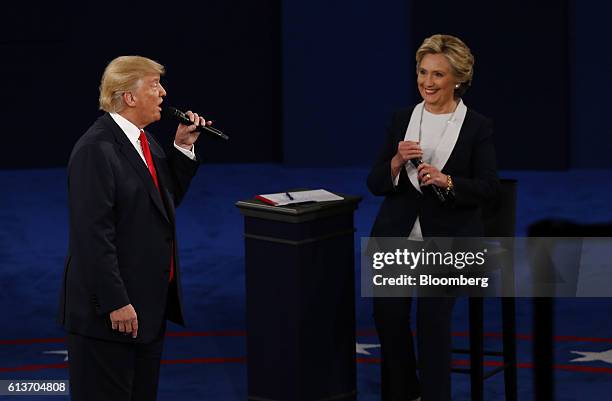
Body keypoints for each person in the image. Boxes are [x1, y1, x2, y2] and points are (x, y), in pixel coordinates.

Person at [57, 55, 212, 401]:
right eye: (154, 85)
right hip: (110, 317)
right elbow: (92, 236)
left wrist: (183, 146)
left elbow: (162, 205)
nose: (163, 93)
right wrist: (116, 302)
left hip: (146, 309)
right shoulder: (96, 149)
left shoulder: (143, 141)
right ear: (129, 96)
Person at [367, 35, 500, 401]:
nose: (427, 81)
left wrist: (448, 180)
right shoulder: (401, 120)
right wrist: (394, 162)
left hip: (452, 238)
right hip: (398, 235)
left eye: (438, 74)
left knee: (432, 322)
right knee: (388, 317)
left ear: (457, 78)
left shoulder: (476, 126)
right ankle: (407, 392)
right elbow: (375, 183)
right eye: (423, 72)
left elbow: (490, 188)